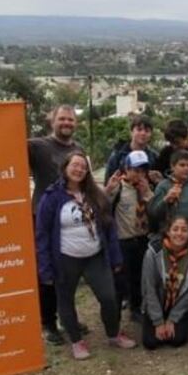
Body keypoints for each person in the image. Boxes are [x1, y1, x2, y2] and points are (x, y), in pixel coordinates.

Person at [35, 152, 125, 360]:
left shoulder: (95, 194)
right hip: (66, 258)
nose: (79, 170)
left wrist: (116, 257)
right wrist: (45, 268)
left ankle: (113, 334)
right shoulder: (52, 197)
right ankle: (77, 341)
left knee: (109, 297)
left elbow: (109, 228)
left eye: (83, 167)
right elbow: (42, 235)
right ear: (65, 167)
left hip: (95, 256)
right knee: (65, 301)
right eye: (75, 165)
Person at [27, 104, 83, 345]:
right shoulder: (37, 146)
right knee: (46, 271)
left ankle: (67, 317)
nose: (66, 123)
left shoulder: (78, 149)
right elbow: (6, 144)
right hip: (44, 218)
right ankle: (48, 323)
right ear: (52, 121)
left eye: (70, 120)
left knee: (68, 271)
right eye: (62, 119)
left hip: (70, 219)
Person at [104, 149, 152, 338]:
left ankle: (136, 308)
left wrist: (147, 193)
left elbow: (155, 210)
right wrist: (108, 191)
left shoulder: (146, 188)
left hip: (142, 239)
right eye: (135, 170)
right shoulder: (119, 187)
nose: (139, 174)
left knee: (139, 277)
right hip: (123, 241)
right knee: (121, 280)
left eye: (143, 171)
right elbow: (102, 207)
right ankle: (113, 323)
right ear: (126, 169)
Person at [140, 216, 188, 349]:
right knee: (150, 342)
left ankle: (180, 320)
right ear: (168, 232)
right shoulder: (153, 253)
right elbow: (149, 288)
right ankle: (154, 320)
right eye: (175, 229)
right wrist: (158, 322)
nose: (179, 234)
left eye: (184, 230)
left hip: (178, 305)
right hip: (156, 303)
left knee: (177, 340)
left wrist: (173, 319)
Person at [148, 151, 188, 241]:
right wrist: (166, 200)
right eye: (182, 165)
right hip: (168, 238)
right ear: (172, 166)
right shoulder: (163, 186)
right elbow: (154, 214)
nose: (186, 168)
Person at [105, 114, 162, 186]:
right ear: (131, 132)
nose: (143, 133)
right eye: (139, 129)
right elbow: (107, 183)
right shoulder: (117, 155)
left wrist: (159, 181)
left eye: (147, 131)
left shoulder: (154, 157)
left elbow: (159, 186)